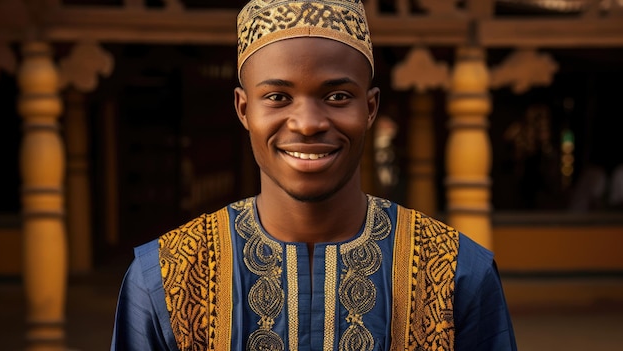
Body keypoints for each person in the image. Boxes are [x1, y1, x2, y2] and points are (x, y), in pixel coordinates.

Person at [110, 0, 518, 350]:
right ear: (243, 109)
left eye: (337, 96)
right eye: (277, 97)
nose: (307, 123)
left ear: (370, 109)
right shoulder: (168, 277)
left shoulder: (455, 272)